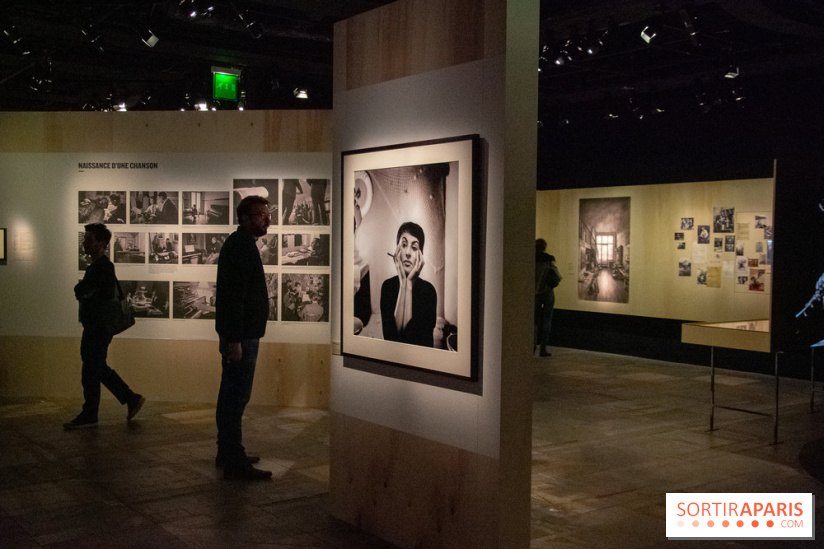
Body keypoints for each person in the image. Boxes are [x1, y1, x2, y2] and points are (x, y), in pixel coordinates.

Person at [64, 223, 145, 430]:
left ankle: (103, 407)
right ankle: (125, 400)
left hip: (98, 327)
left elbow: (81, 290)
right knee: (94, 368)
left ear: (102, 243)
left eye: (89, 239)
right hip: (96, 326)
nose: (85, 242)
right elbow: (83, 291)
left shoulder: (103, 267)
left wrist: (83, 290)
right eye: (85, 238)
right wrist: (83, 291)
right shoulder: (98, 267)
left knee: (93, 367)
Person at [214, 195, 272, 480]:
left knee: (231, 394)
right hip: (242, 337)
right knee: (236, 396)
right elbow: (233, 298)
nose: (267, 219)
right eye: (262, 214)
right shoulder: (240, 248)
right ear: (246, 218)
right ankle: (234, 460)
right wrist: (234, 339)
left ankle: (227, 451)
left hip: (242, 334)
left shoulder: (241, 245)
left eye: (267, 213)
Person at [380, 222, 437, 347]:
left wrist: (409, 285)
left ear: (420, 256)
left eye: (414, 247)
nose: (408, 253)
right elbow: (391, 340)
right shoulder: (387, 287)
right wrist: (402, 283)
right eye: (404, 245)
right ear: (397, 251)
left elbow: (411, 342)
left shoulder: (429, 292)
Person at [535, 238, 560, 357]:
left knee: (533, 321)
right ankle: (543, 348)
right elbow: (557, 276)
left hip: (534, 294)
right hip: (548, 292)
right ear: (545, 247)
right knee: (546, 320)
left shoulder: (530, 259)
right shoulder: (549, 260)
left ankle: (532, 345)